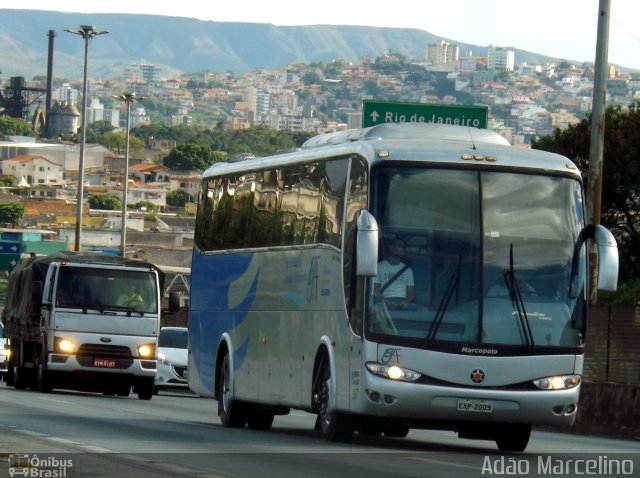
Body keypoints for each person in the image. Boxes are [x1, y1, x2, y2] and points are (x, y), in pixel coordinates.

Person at [373, 237, 415, 310]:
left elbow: (410, 292)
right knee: (376, 309)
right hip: (385, 302)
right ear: (389, 248)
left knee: (424, 310)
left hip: (403, 302)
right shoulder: (379, 267)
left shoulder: (408, 270)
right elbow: (375, 291)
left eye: (400, 245)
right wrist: (387, 302)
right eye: (393, 244)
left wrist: (406, 303)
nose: (396, 247)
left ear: (403, 252)